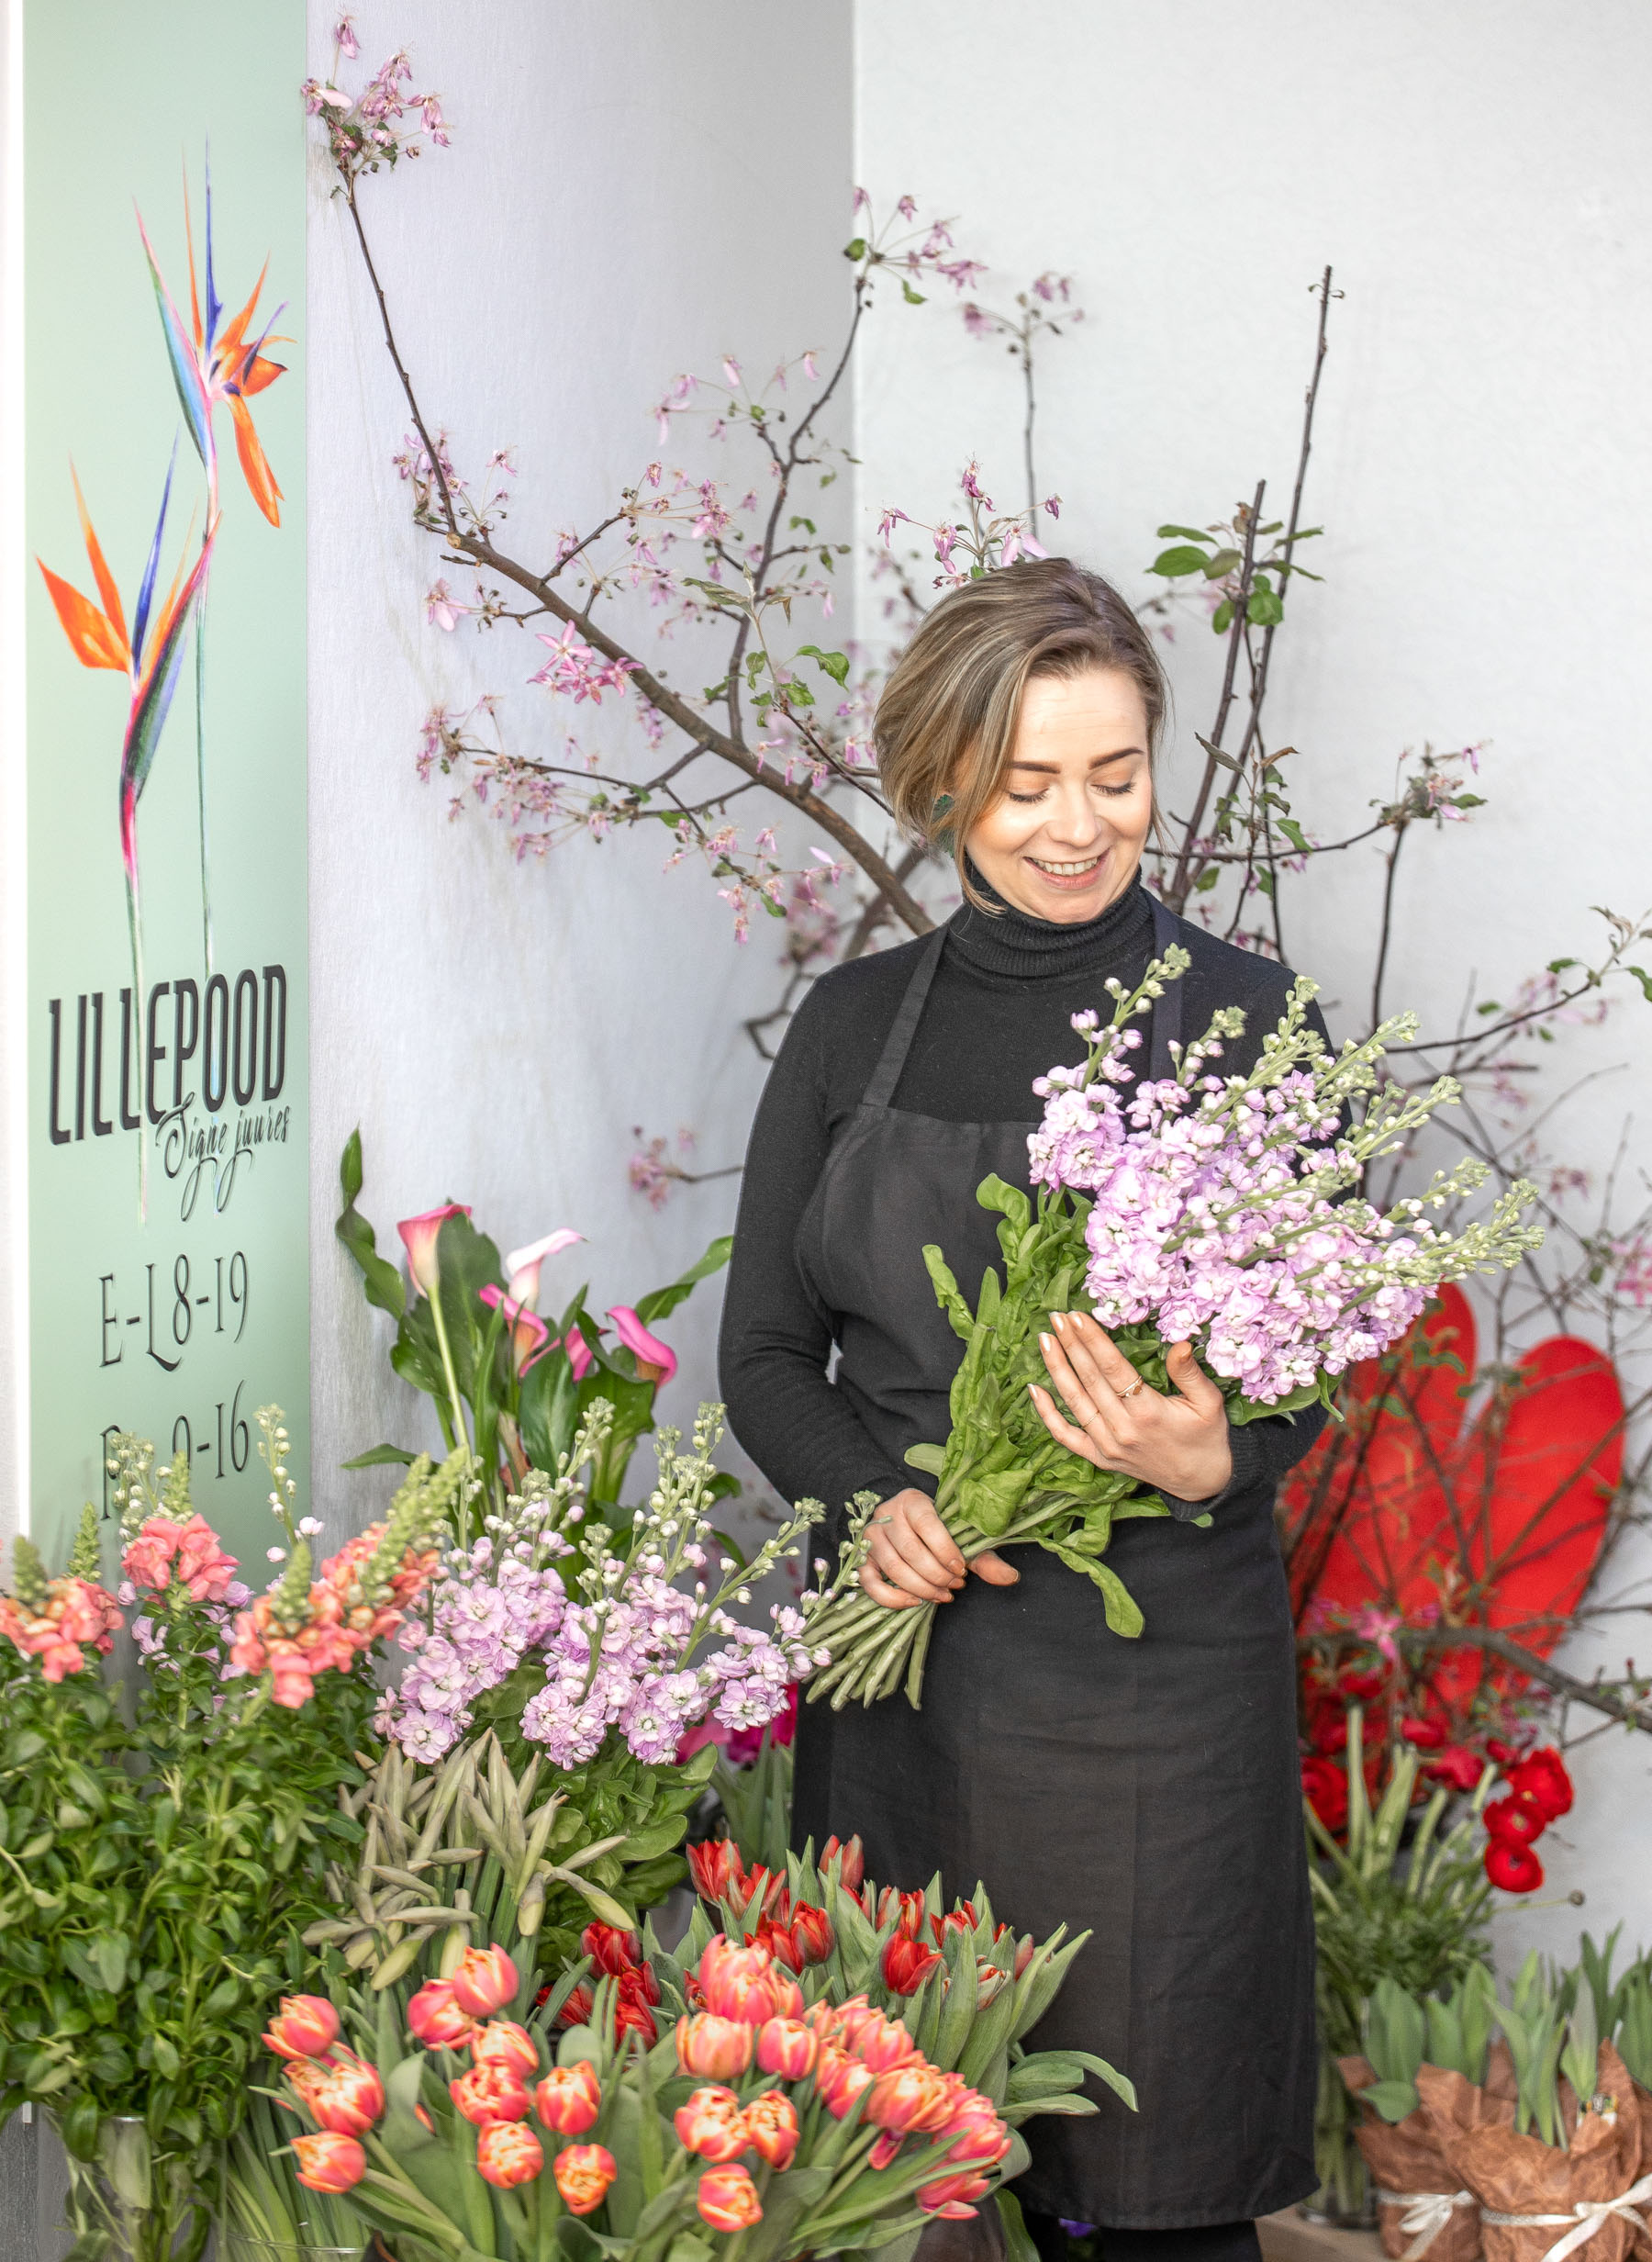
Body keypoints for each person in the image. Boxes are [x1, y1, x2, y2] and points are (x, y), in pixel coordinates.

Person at [719, 559, 1326, 2262]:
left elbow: (1316, 1363)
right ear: (943, 782)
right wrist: (870, 1502)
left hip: (1167, 1702)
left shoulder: (1252, 1027)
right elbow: (766, 1356)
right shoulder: (851, 1034)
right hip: (914, 1697)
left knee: (1164, 2183)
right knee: (921, 2180)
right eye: (1026, 783)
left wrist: (1216, 1452)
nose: (1077, 826)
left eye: (1116, 778)